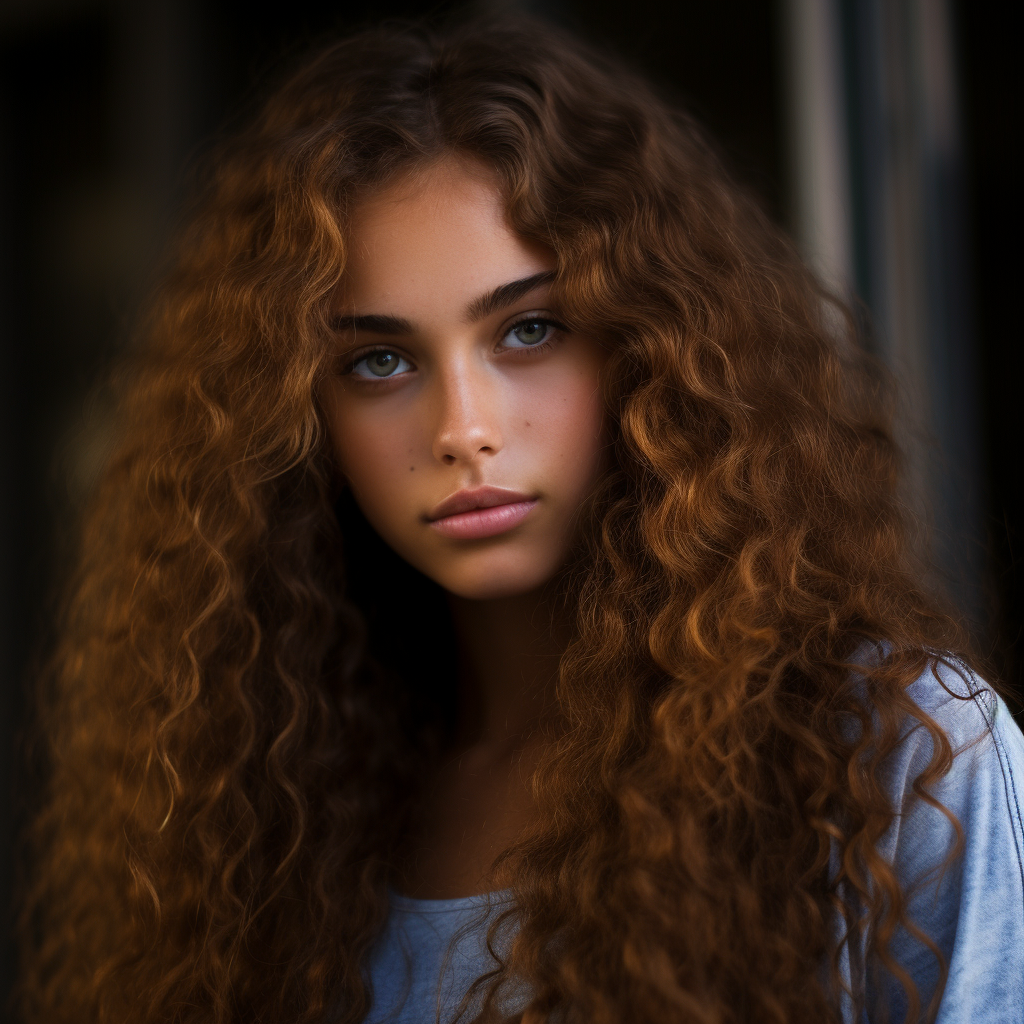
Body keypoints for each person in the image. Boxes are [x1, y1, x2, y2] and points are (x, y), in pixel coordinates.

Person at [17, 16, 1023, 1024]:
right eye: (380, 361)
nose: (464, 428)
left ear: (647, 345)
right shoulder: (262, 818)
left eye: (529, 329)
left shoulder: (893, 762)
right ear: (296, 417)